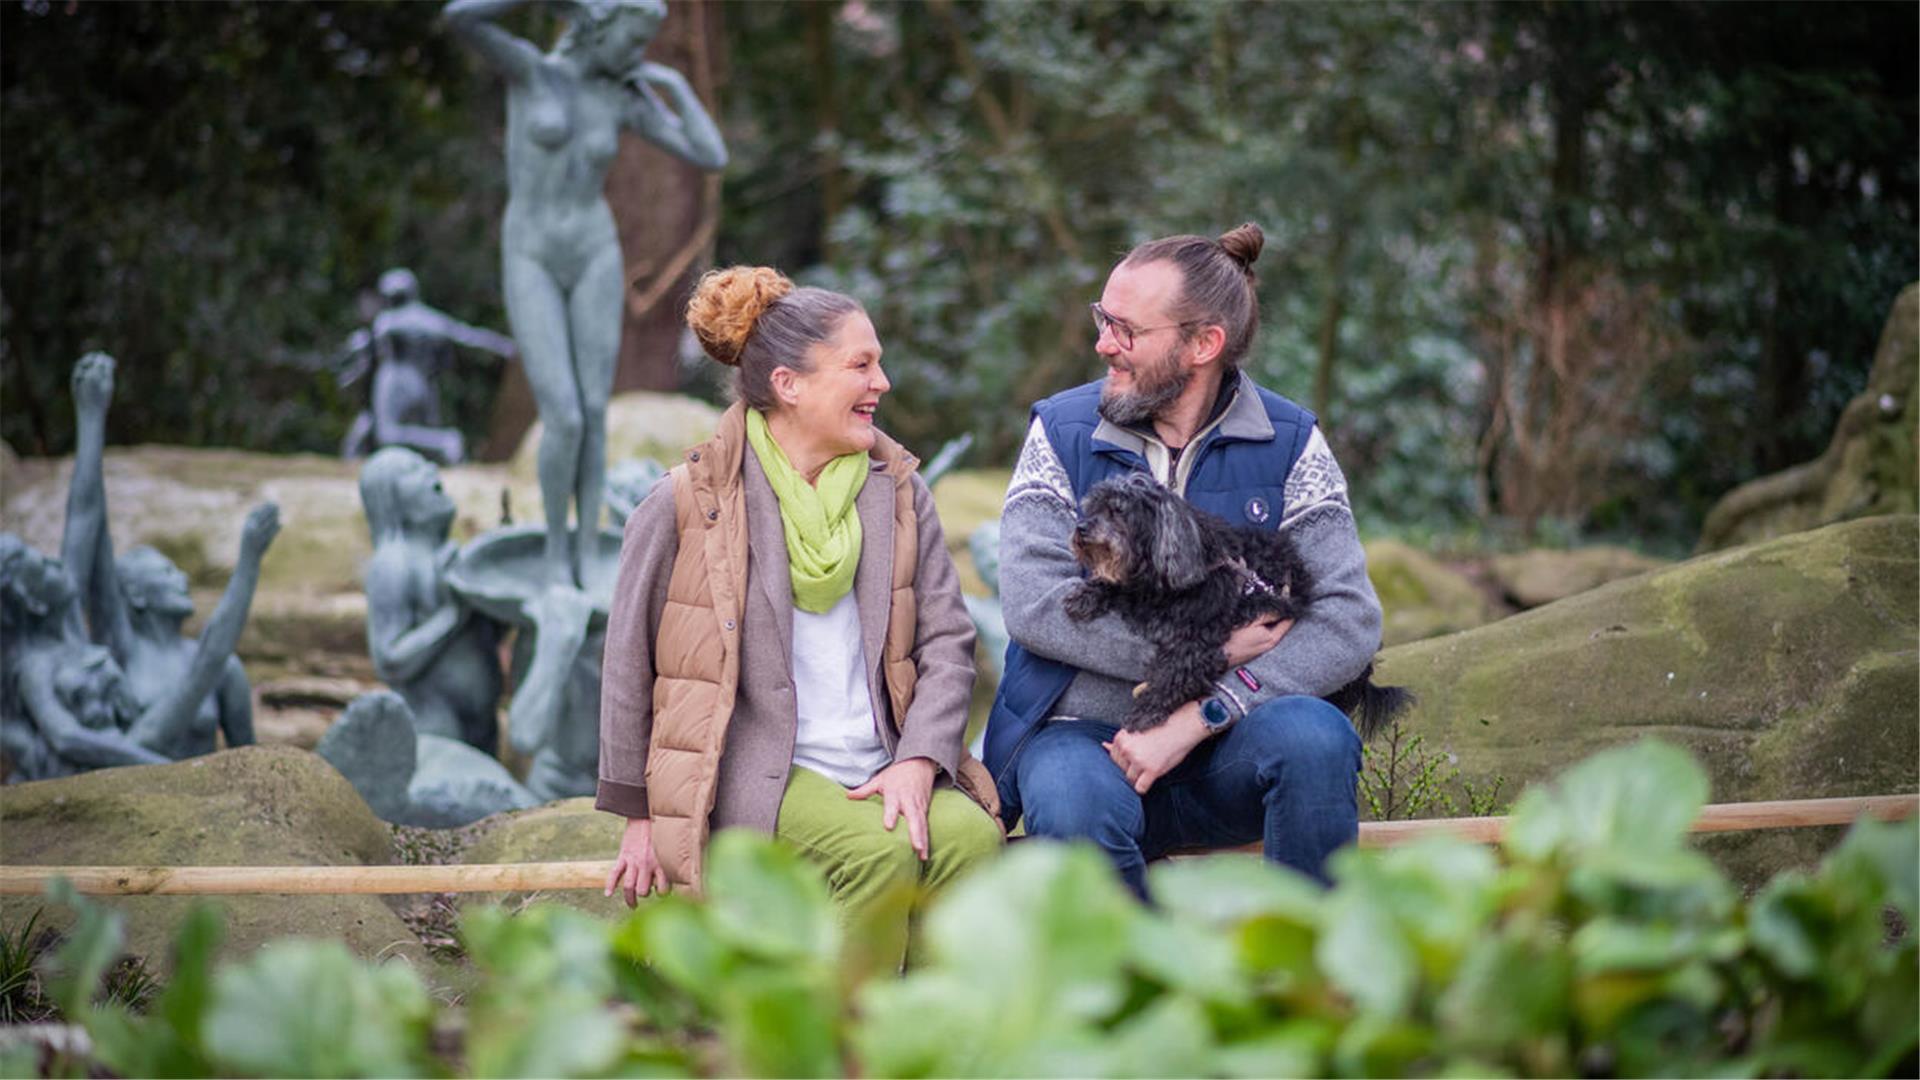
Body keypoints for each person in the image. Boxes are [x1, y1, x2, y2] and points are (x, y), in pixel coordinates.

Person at [598, 267, 1001, 968]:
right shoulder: (688, 501)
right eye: (861, 365)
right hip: (759, 772)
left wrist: (918, 759)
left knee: (971, 839)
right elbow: (629, 659)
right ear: (790, 384)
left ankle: (934, 1045)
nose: (883, 383)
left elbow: (948, 642)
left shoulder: (900, 493)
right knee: (877, 853)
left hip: (882, 756)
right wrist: (639, 816)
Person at [983, 224, 1385, 899]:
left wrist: (1206, 710)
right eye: (1101, 320)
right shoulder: (1060, 430)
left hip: (1231, 741)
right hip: (1080, 739)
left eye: (1125, 330)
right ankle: (1149, 997)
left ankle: (1308, 986)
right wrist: (1213, 648)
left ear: (1203, 345)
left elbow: (1347, 620)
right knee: (1073, 799)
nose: (1102, 343)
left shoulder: (1290, 444)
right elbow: (1034, 604)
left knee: (1316, 740)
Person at [445, 0, 728, 587]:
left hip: (595, 247)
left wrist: (669, 82)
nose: (635, 55)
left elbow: (709, 154)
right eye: (629, 40)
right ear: (595, 26)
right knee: (564, 416)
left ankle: (584, 551)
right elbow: (461, 19)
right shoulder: (532, 71)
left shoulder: (621, 96)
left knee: (595, 412)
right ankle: (554, 551)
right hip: (533, 251)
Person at [59, 353, 278, 761]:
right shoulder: (119, 649)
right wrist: (91, 419)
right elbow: (90, 529)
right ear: (136, 597)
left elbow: (249, 763)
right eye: (165, 572)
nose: (181, 576)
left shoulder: (224, 670)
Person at [359, 446, 506, 755]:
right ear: (392, 501)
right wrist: (453, 614)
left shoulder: (451, 556)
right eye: (414, 471)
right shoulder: (394, 562)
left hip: (482, 721)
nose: (431, 471)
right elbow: (389, 659)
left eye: (428, 463)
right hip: (434, 720)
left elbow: (487, 637)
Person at [339, 267, 517, 465]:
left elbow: (365, 350)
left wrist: (351, 367)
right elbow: (468, 336)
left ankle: (445, 442)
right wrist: (504, 346)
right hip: (423, 382)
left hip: (394, 380)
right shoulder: (429, 319)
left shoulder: (388, 320)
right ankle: (440, 444)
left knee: (388, 434)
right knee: (406, 437)